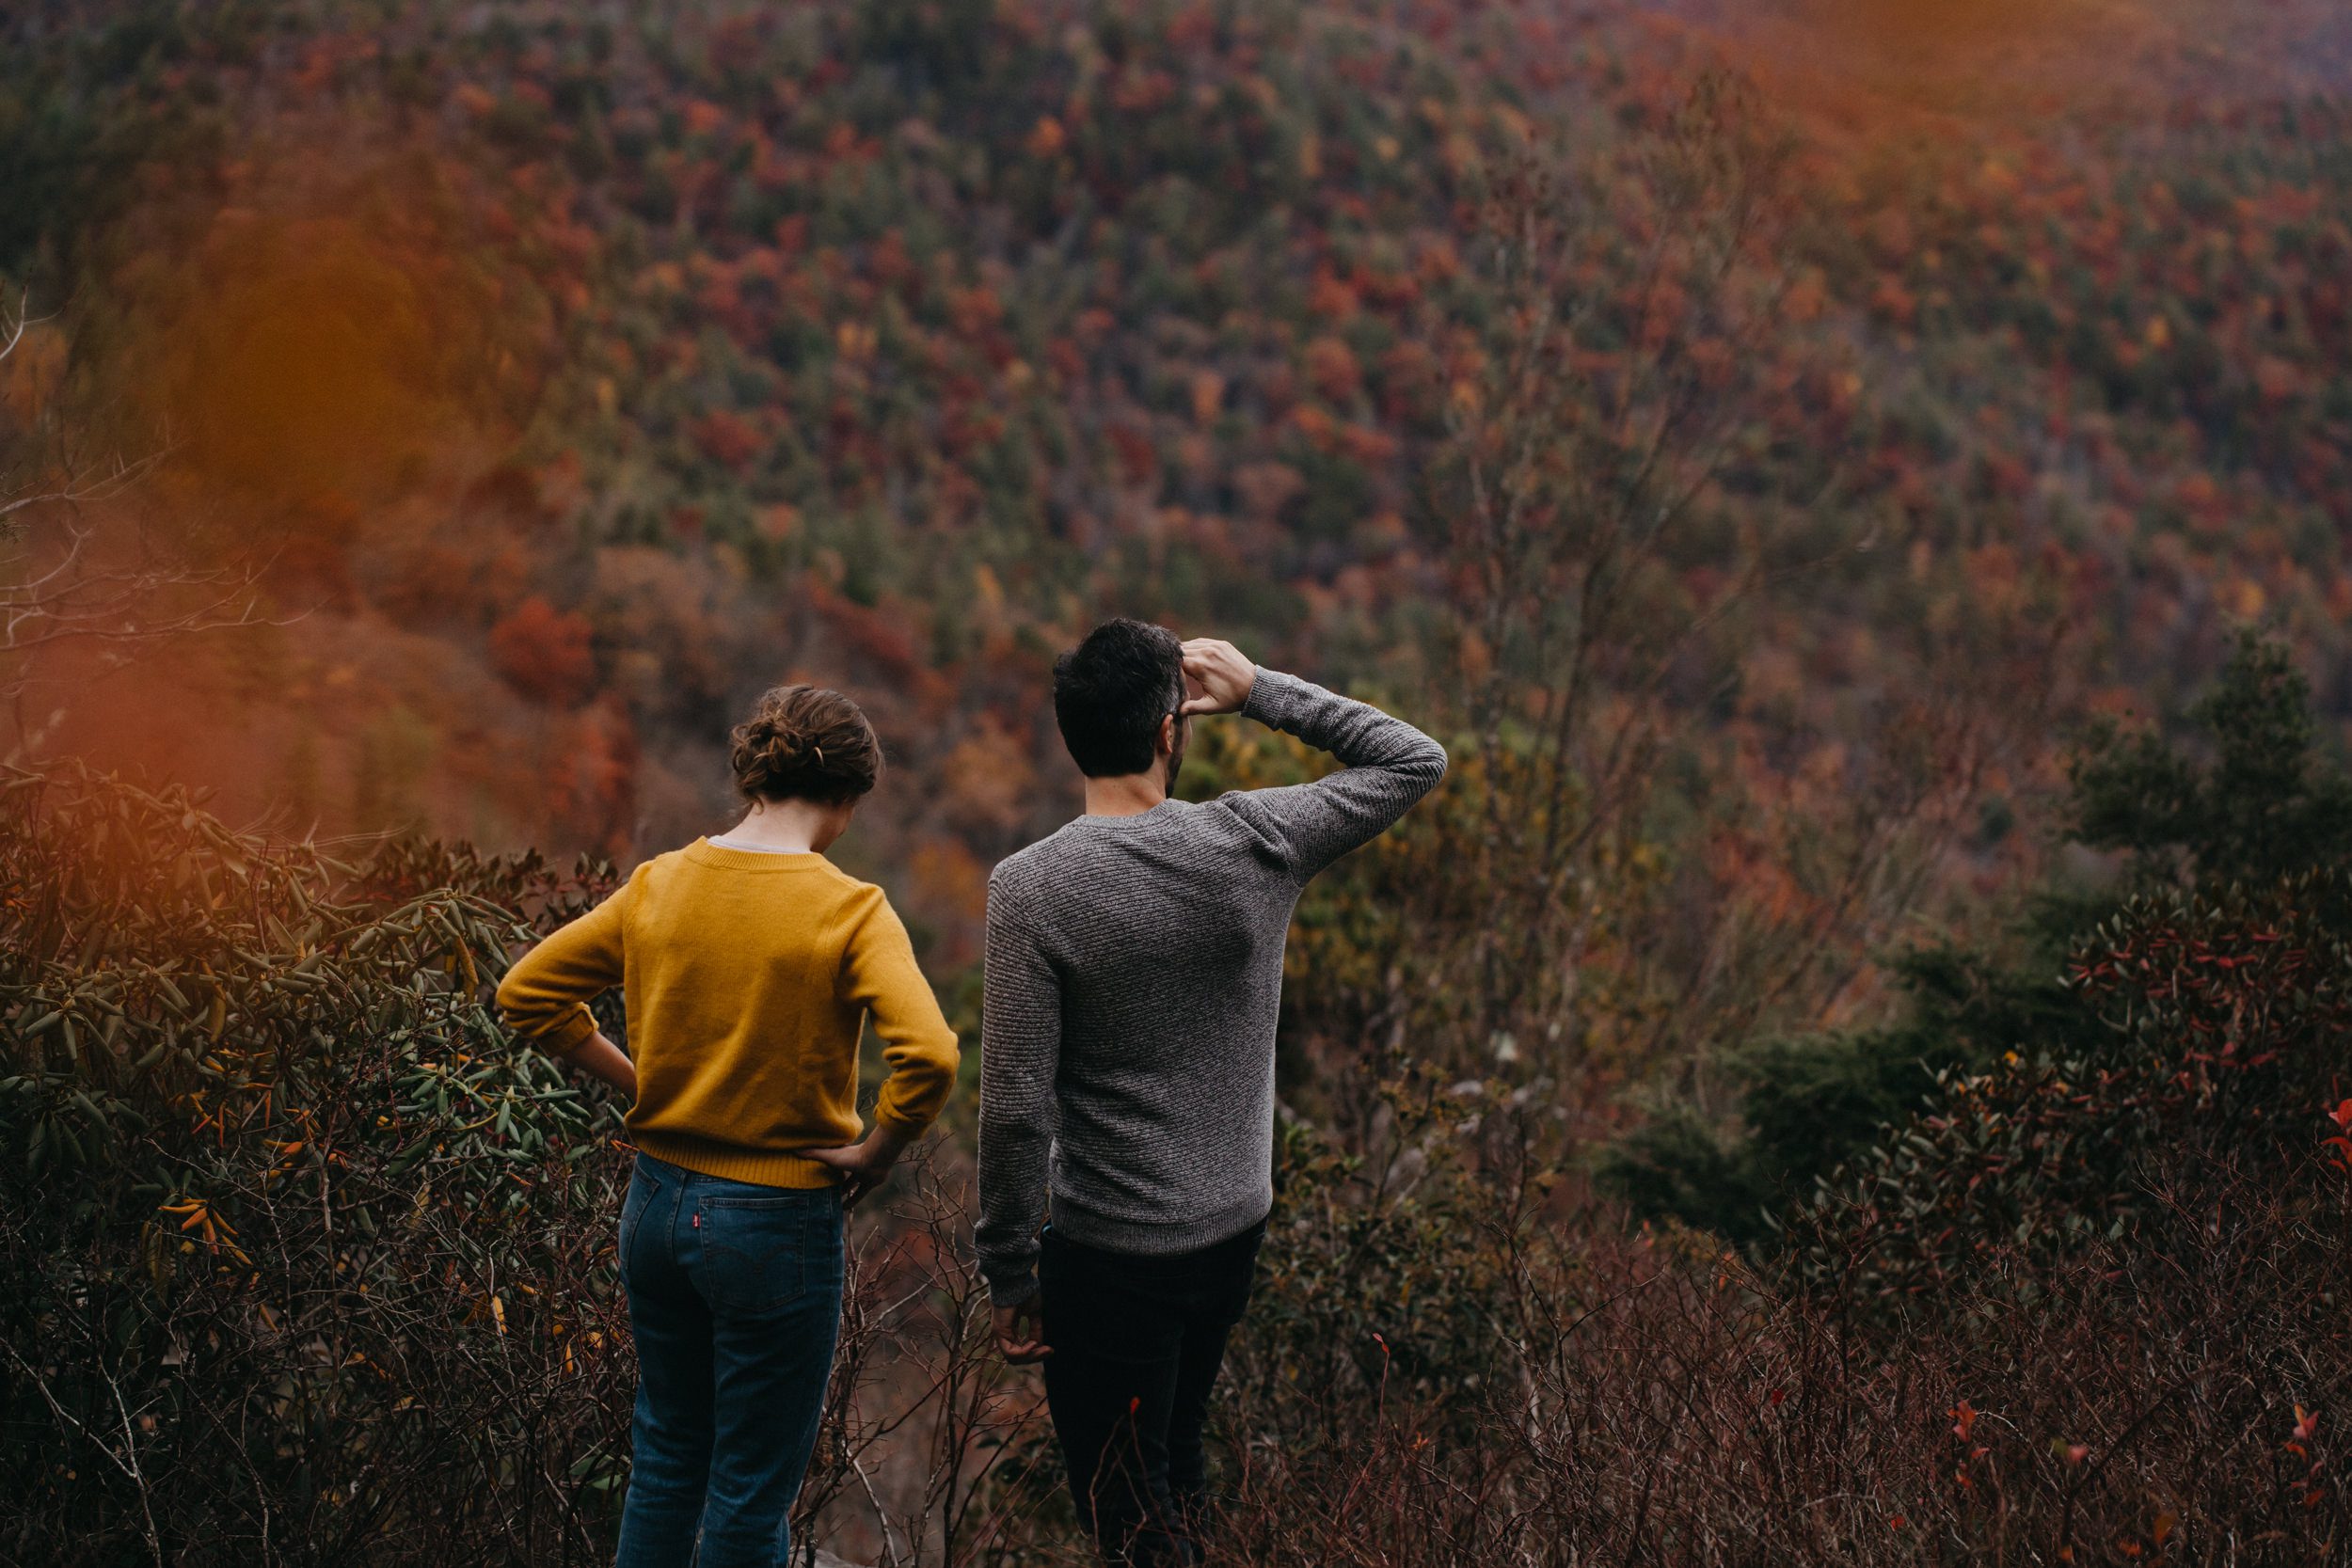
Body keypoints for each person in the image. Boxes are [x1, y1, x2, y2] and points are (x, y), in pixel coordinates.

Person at [977, 622, 1447, 1564]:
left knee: (1125, 1506)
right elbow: (1411, 758)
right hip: (1232, 1226)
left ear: (1073, 733)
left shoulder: (1029, 889)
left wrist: (1011, 1271)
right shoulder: (1253, 840)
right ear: (1168, 728)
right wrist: (1262, 688)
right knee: (1176, 1470)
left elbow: (1017, 1104)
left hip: (1108, 1250)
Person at [496, 685, 960, 1568]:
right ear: (849, 797)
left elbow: (526, 994)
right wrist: (876, 1148)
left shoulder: (661, 882)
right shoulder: (848, 909)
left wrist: (651, 1084)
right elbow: (932, 1057)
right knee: (749, 1495)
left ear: (756, 777)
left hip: (656, 1208)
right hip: (772, 1224)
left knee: (667, 1458)